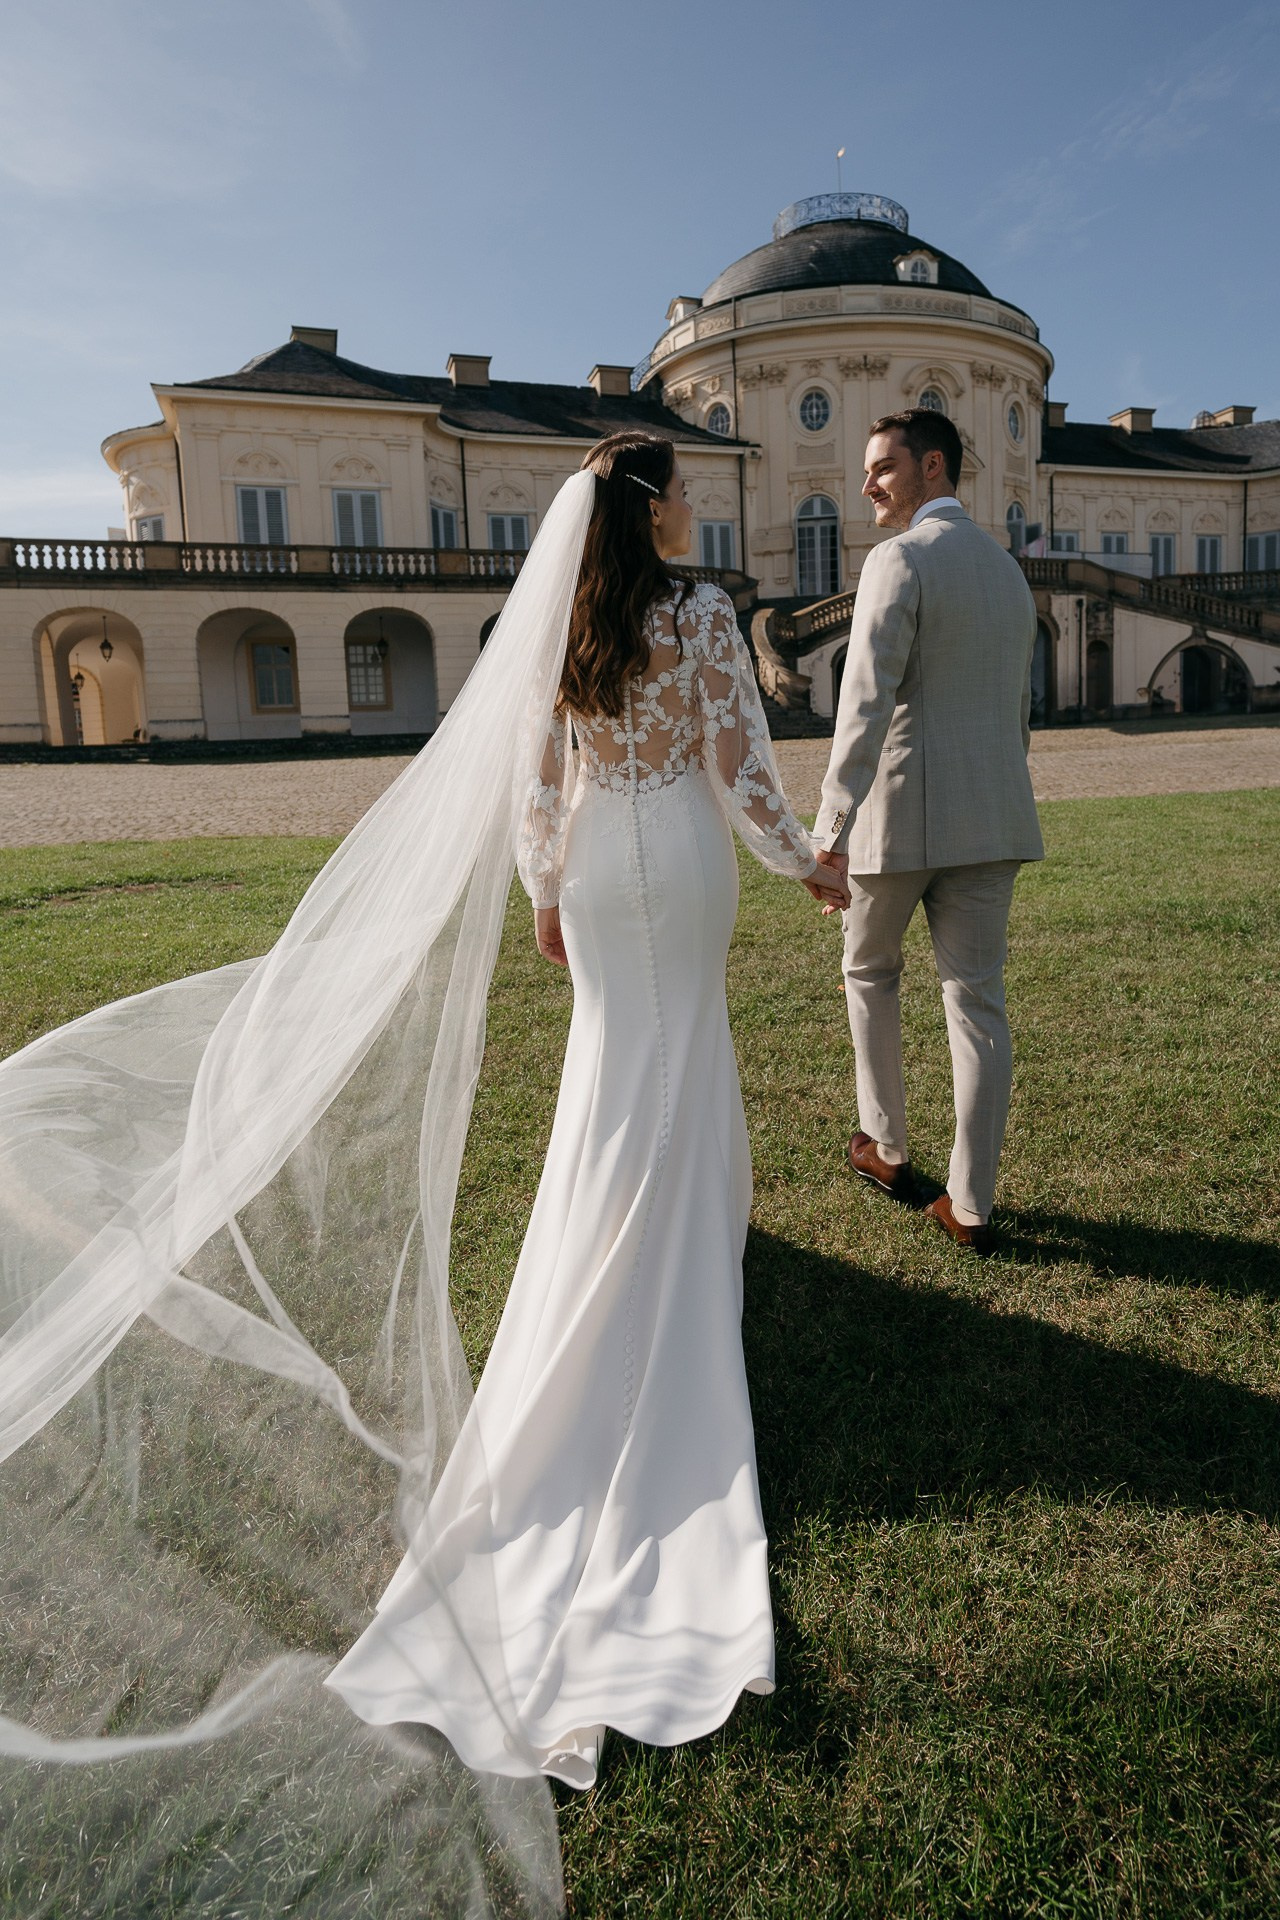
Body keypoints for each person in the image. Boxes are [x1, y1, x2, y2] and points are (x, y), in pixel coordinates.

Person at [326, 432, 849, 1785]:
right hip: (678, 855)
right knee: (680, 1055)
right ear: (650, 508)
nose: (689, 506)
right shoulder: (704, 611)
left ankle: (640, 1233)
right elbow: (739, 767)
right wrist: (808, 867)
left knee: (622, 1063)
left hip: (604, 883)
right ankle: (671, 1261)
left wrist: (549, 894)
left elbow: (536, 782)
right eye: (676, 490)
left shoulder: (561, 620)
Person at [813, 409, 1044, 1256]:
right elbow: (1017, 714)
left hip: (898, 817)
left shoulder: (898, 558)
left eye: (882, 467)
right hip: (993, 814)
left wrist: (830, 830)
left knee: (870, 972)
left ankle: (886, 1147)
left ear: (933, 467)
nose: (867, 483)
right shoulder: (1009, 572)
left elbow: (864, 704)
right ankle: (972, 1206)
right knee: (977, 1004)